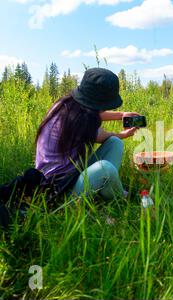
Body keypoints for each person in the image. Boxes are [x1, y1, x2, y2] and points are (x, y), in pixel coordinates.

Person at [35, 68, 139, 201]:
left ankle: (106, 190)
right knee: (105, 168)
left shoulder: (65, 105)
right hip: (59, 191)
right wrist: (124, 134)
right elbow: (102, 135)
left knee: (115, 142)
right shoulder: (79, 122)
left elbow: (95, 114)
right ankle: (123, 198)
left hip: (71, 176)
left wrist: (121, 115)